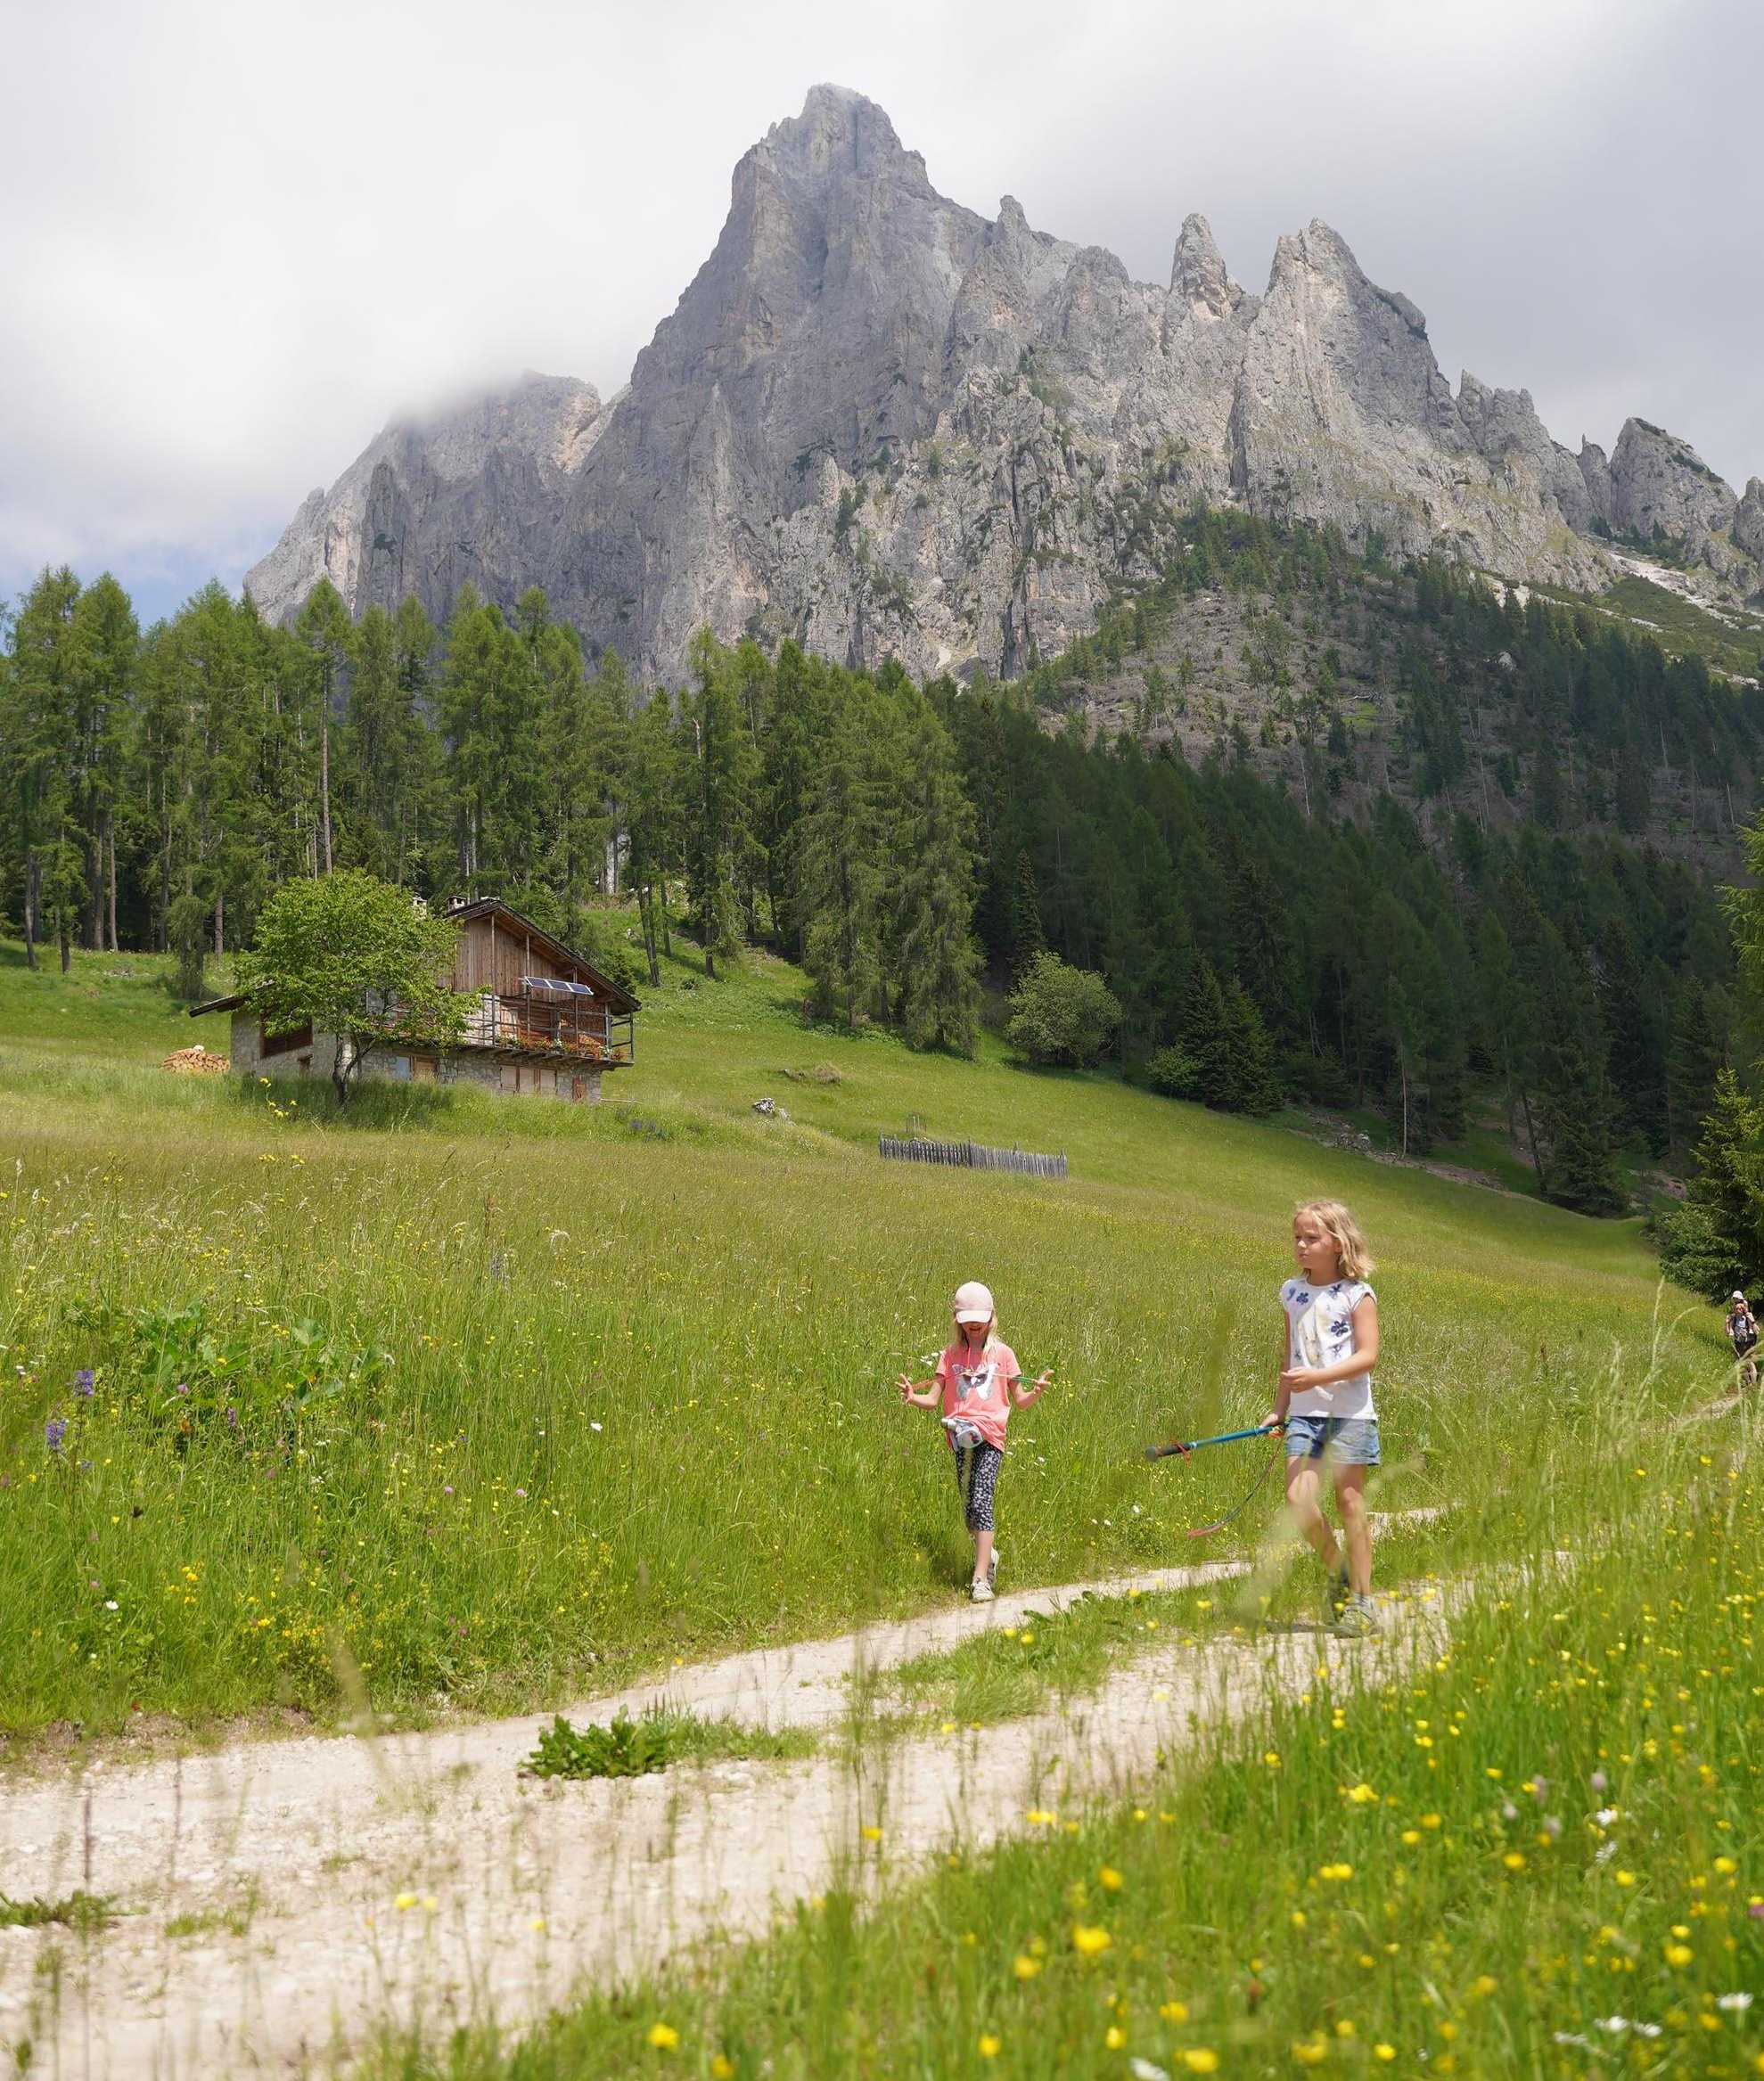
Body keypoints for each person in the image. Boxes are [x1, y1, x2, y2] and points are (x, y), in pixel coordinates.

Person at [1265, 1199, 1382, 1638]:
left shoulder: (1357, 1294)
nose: (1301, 1244)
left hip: (1350, 1416)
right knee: (1298, 1499)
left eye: (1312, 1238)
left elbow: (1368, 1357)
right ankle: (1341, 1575)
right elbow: (1290, 1356)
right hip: (1304, 1416)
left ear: (1338, 1242)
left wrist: (1318, 1377)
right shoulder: (1291, 1293)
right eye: (1297, 1237)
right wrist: (1279, 1408)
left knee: (1349, 1502)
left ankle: (1363, 1603)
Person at [898, 1281, 1051, 1602]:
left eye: (980, 1319)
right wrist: (912, 1397)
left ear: (991, 1317)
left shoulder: (1003, 1354)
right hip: (959, 1437)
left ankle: (980, 1580)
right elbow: (933, 1400)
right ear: (958, 1321)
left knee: (982, 1502)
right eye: (968, 1320)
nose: (974, 1325)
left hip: (991, 1438)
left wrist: (1036, 1391)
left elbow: (1021, 1401)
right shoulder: (949, 1355)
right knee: (969, 1509)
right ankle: (988, 1552)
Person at [1726, 1290, 1758, 1390]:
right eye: (1737, 1308)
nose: (1738, 1309)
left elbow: (1757, 1331)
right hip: (1739, 1343)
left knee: (1750, 1362)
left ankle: (1753, 1384)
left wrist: (1752, 1321)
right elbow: (1727, 1333)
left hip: (1748, 1342)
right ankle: (1749, 1383)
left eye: (1740, 1308)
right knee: (1741, 1363)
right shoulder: (1734, 1317)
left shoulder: (1746, 1310)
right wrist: (1728, 1322)